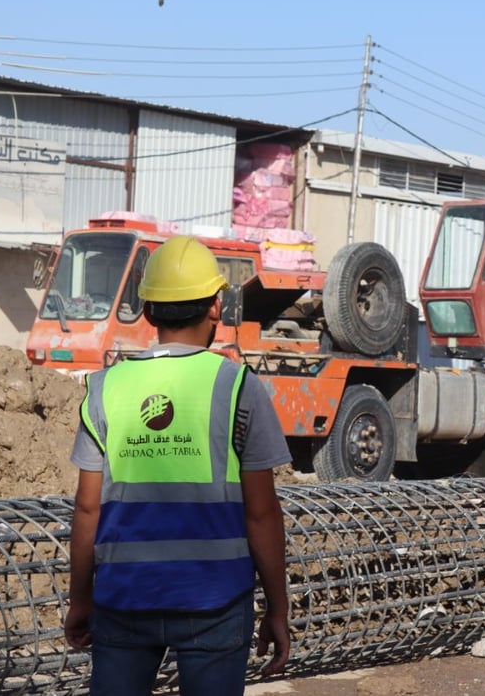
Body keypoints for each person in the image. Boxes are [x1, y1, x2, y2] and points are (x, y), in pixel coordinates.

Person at [64, 235, 291, 695]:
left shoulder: (105, 389)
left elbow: (88, 510)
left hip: (124, 597)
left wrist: (81, 597)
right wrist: (278, 607)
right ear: (216, 307)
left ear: (146, 311)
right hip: (216, 601)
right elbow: (261, 513)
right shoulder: (238, 388)